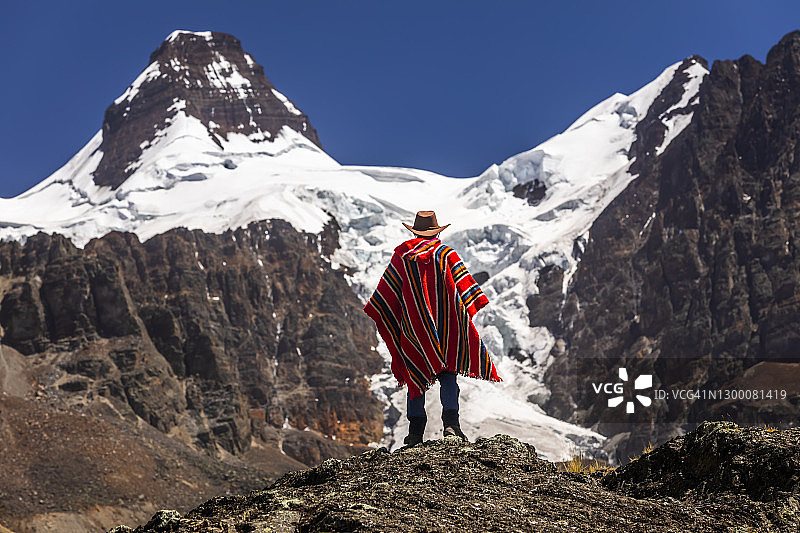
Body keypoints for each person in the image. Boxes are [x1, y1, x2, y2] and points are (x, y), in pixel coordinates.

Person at [363, 210, 501, 446]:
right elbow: (466, 291)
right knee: (448, 375)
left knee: (415, 375)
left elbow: (386, 296)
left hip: (413, 328)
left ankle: (415, 433)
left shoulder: (402, 257)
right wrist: (456, 316)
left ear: (414, 232)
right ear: (436, 233)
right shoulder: (447, 255)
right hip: (446, 327)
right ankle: (451, 426)